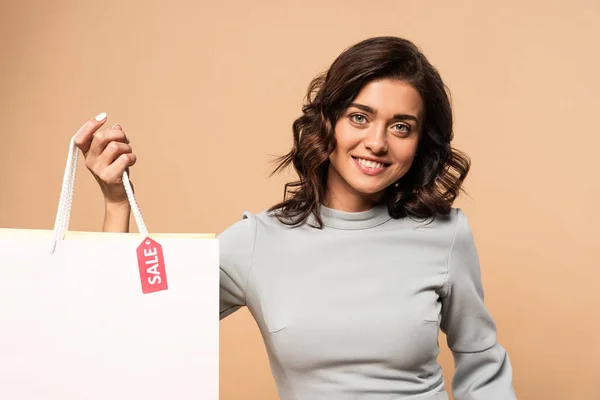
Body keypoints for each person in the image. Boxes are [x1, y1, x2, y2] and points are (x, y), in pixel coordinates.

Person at [73, 36, 516, 400]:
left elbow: (482, 362)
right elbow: (137, 316)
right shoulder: (255, 242)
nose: (377, 142)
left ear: (420, 142)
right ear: (328, 124)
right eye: (359, 117)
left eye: (401, 126)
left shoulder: (444, 233)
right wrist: (117, 203)